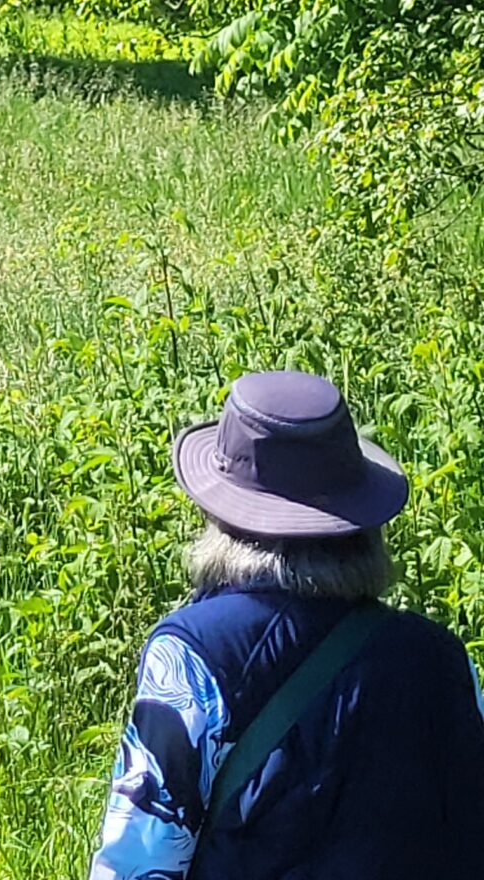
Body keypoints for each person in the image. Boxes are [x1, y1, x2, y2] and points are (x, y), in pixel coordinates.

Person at [88, 371, 484, 877]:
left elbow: (140, 857)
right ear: (360, 520)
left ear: (224, 515)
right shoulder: (439, 657)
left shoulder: (193, 652)